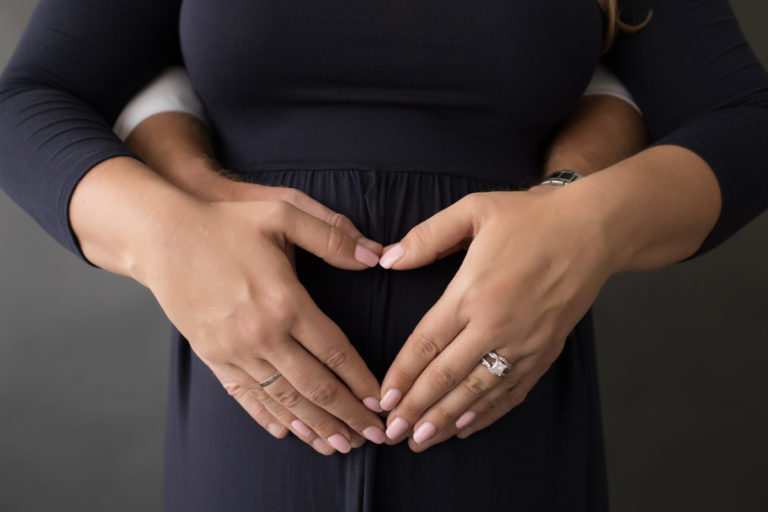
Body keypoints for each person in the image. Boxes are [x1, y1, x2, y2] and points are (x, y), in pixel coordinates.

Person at [1, 1, 767, 511]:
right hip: (256, 431)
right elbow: (28, 99)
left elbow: (745, 119)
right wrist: (165, 237)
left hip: (505, 428)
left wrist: (588, 223)